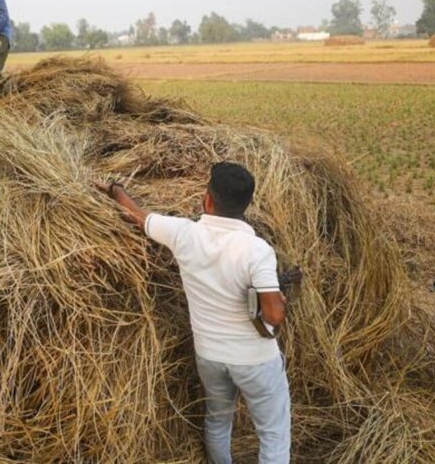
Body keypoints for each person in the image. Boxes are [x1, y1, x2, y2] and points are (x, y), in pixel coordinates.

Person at [94, 163, 290, 463]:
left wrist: (115, 190)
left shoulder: (183, 233)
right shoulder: (257, 250)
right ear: (247, 203)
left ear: (207, 199)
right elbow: (274, 316)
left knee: (217, 421)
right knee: (273, 436)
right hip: (255, 361)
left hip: (210, 355)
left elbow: (138, 216)